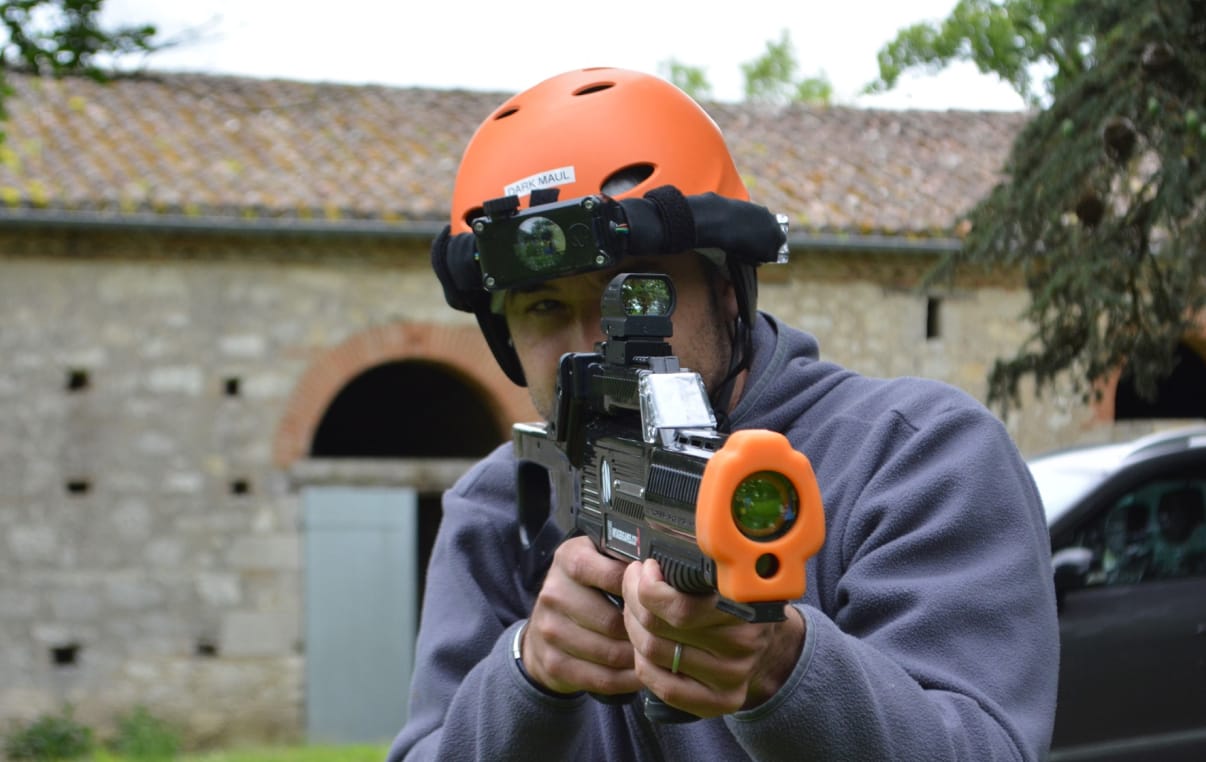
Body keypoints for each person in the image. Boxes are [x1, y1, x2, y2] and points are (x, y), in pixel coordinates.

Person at [388, 67, 1059, 761]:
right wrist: (527, 676)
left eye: (635, 291)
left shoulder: (916, 455)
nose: (594, 338)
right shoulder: (499, 505)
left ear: (727, 288)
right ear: (505, 338)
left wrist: (783, 673)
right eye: (544, 307)